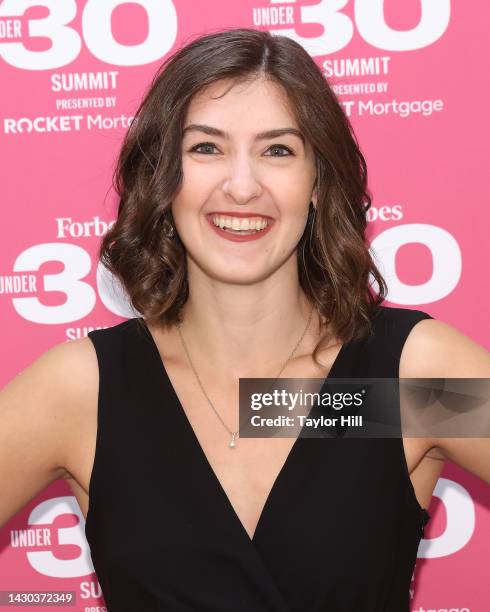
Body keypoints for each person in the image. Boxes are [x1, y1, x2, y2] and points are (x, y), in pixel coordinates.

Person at [1, 27, 489, 612]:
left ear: (317, 182)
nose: (241, 185)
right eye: (205, 148)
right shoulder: (85, 389)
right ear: (164, 177)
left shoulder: (402, 382)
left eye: (277, 150)